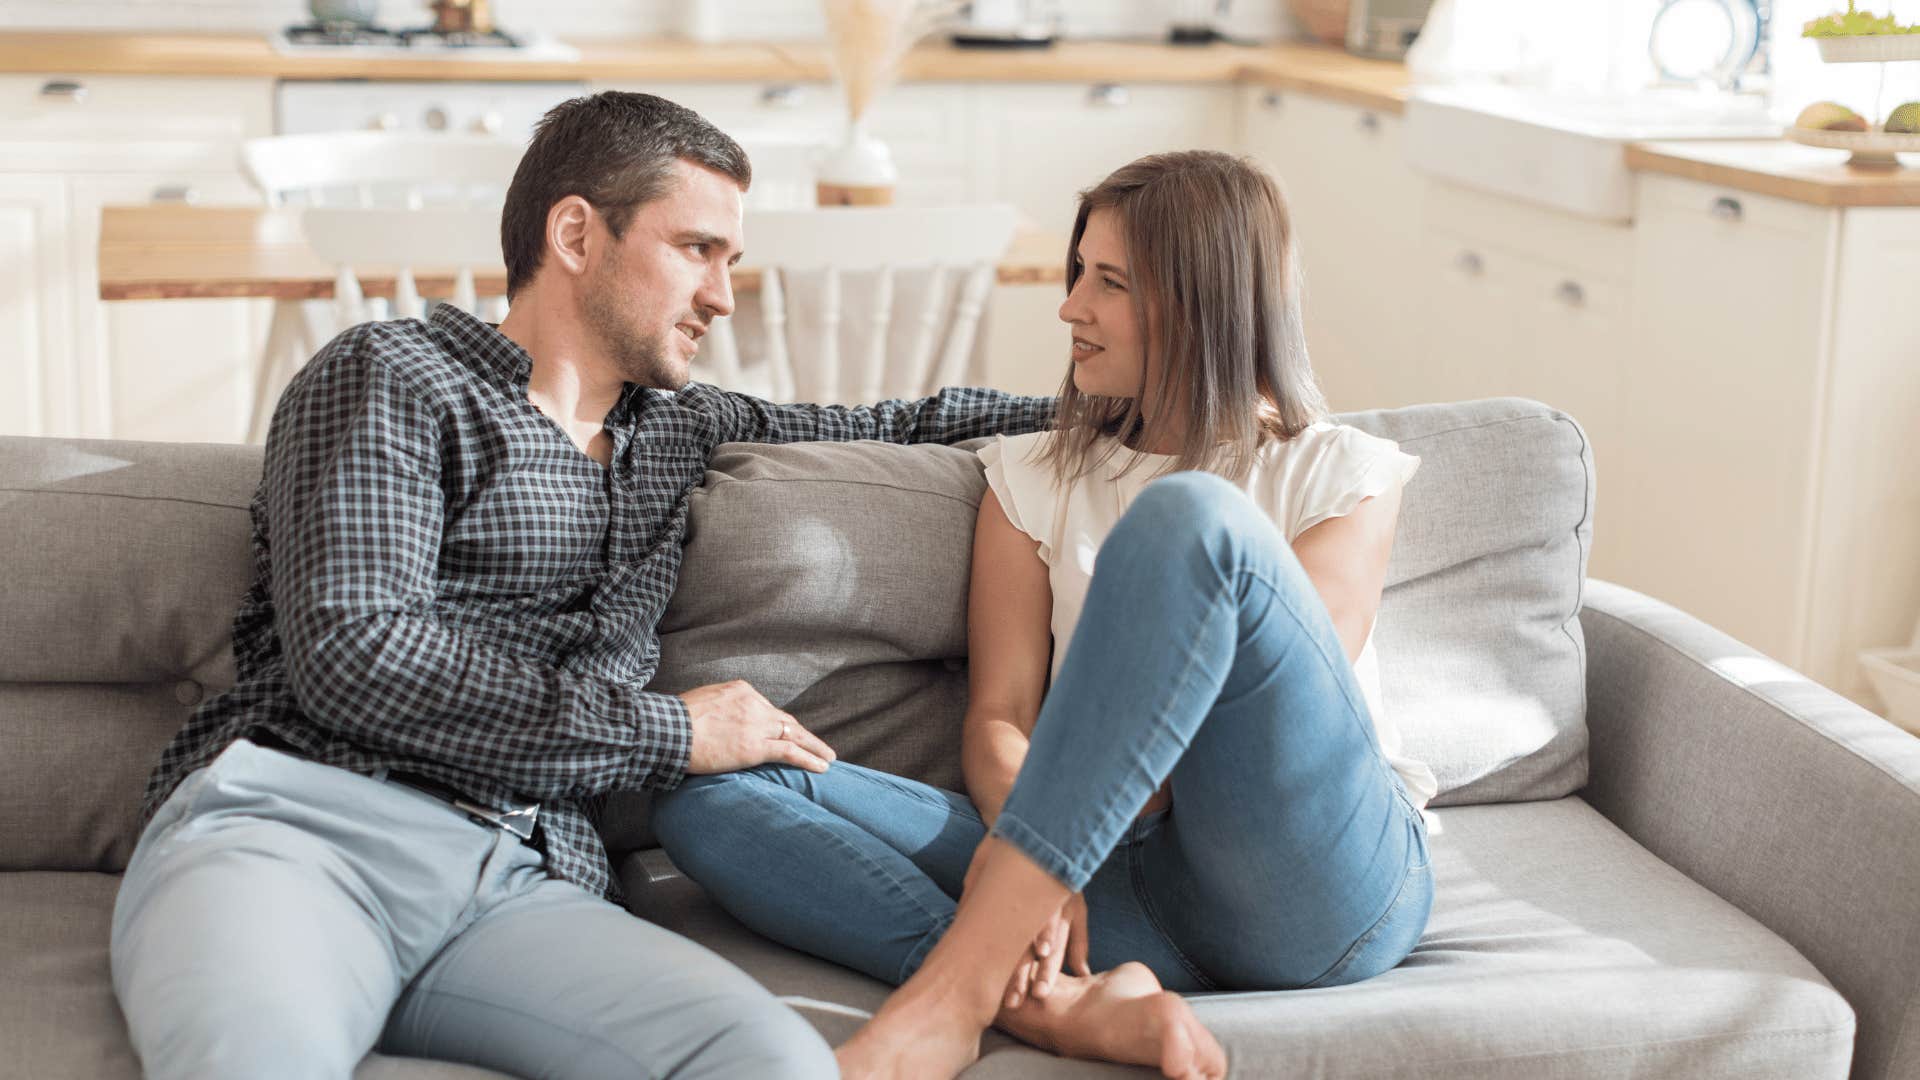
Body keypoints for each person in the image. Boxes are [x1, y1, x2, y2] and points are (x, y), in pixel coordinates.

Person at [107, 90, 1055, 1080]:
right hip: (303, 832)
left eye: (730, 261)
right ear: (575, 233)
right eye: (698, 249)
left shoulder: (680, 428)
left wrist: (1140, 395)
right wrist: (673, 733)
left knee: (773, 1061)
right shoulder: (395, 375)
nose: (725, 296)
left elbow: (906, 425)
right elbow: (357, 653)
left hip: (523, 877)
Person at [653, 149, 1438, 1080]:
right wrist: (1043, 851)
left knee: (1187, 522)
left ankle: (954, 997)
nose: (1070, 307)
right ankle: (1049, 1002)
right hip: (1126, 895)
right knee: (706, 797)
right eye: (1077, 275)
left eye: (1109, 283)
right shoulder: (1031, 477)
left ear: (1201, 301)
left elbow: (1254, 725)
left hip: (1313, 884)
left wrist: (1048, 856)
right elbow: (999, 723)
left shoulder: (1342, 472)